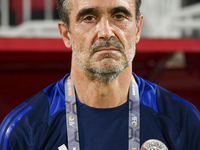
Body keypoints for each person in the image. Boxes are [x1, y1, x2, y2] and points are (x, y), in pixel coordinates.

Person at [0, 0, 200, 149]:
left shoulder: (183, 120)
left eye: (119, 16)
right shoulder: (24, 129)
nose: (106, 32)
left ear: (138, 28)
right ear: (66, 34)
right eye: (89, 18)